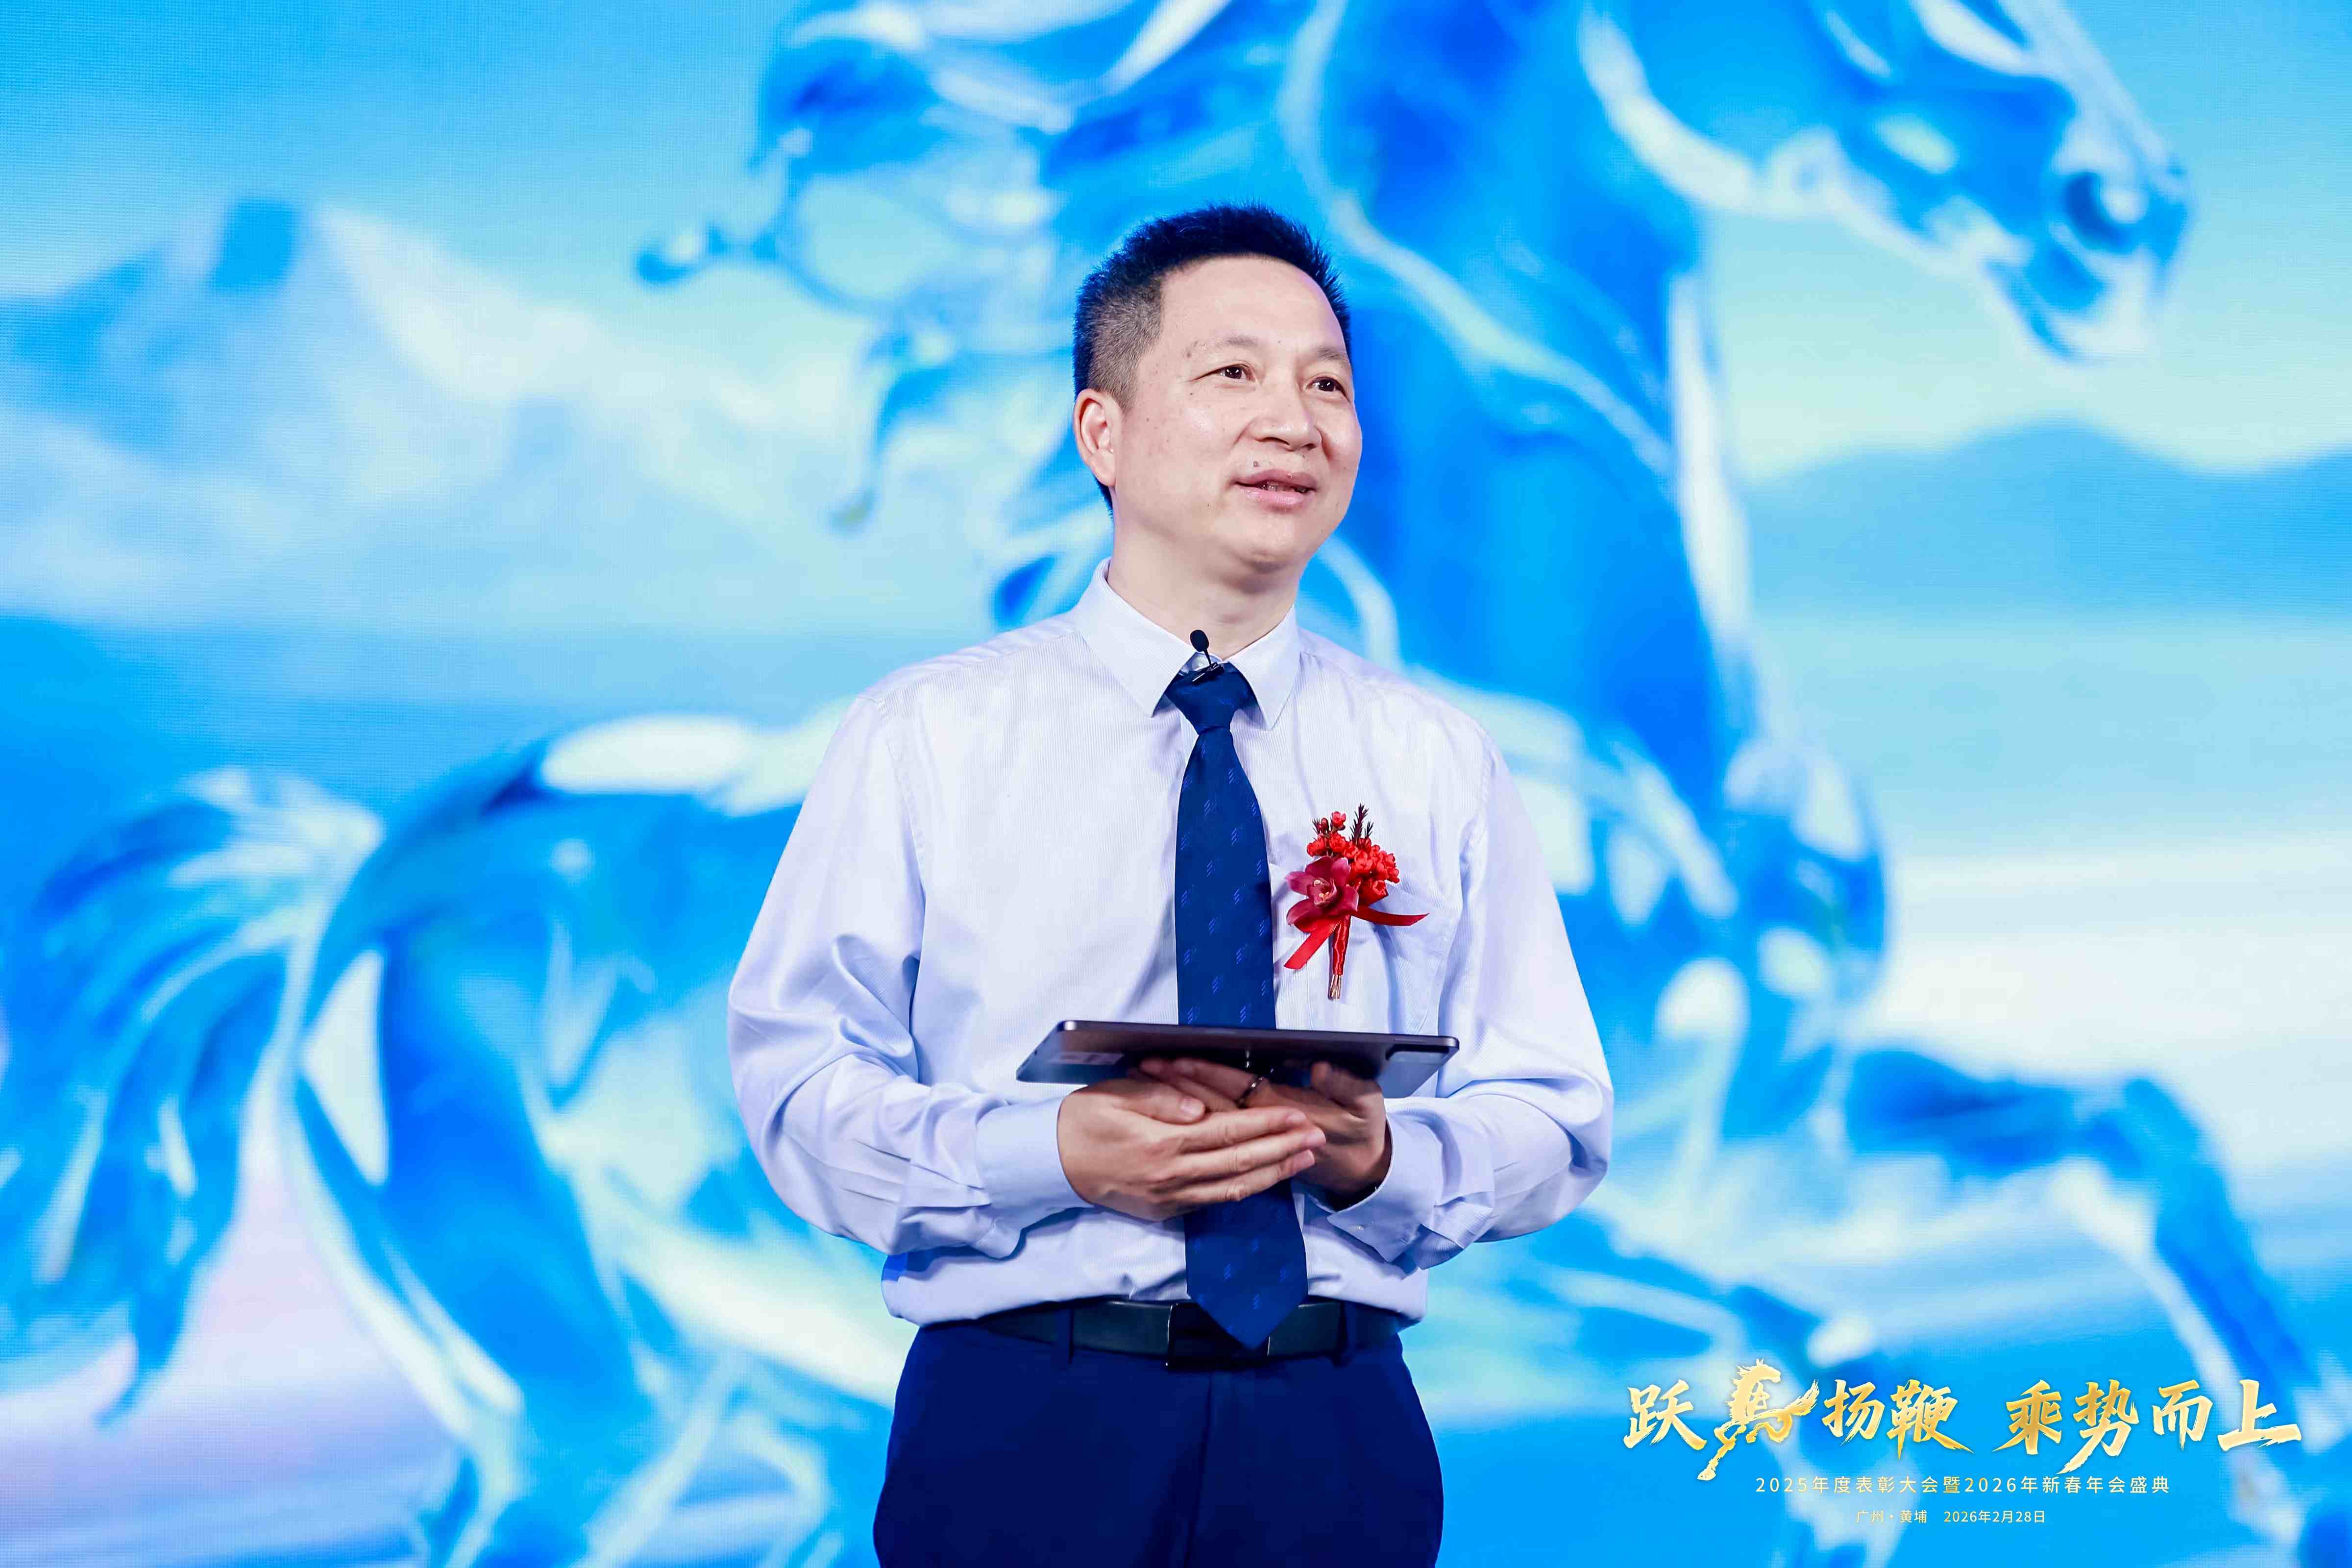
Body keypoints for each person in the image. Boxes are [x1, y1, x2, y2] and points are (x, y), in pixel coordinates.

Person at [725, 202, 1614, 1568]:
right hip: (1027, 1412)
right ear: (1103, 433)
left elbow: (1557, 1113)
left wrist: (1382, 1160)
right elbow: (797, 1089)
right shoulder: (929, 734)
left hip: (1335, 1420)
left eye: (1327, 386)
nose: (1294, 422)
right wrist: (1054, 1156)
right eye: (1233, 374)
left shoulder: (1436, 757)